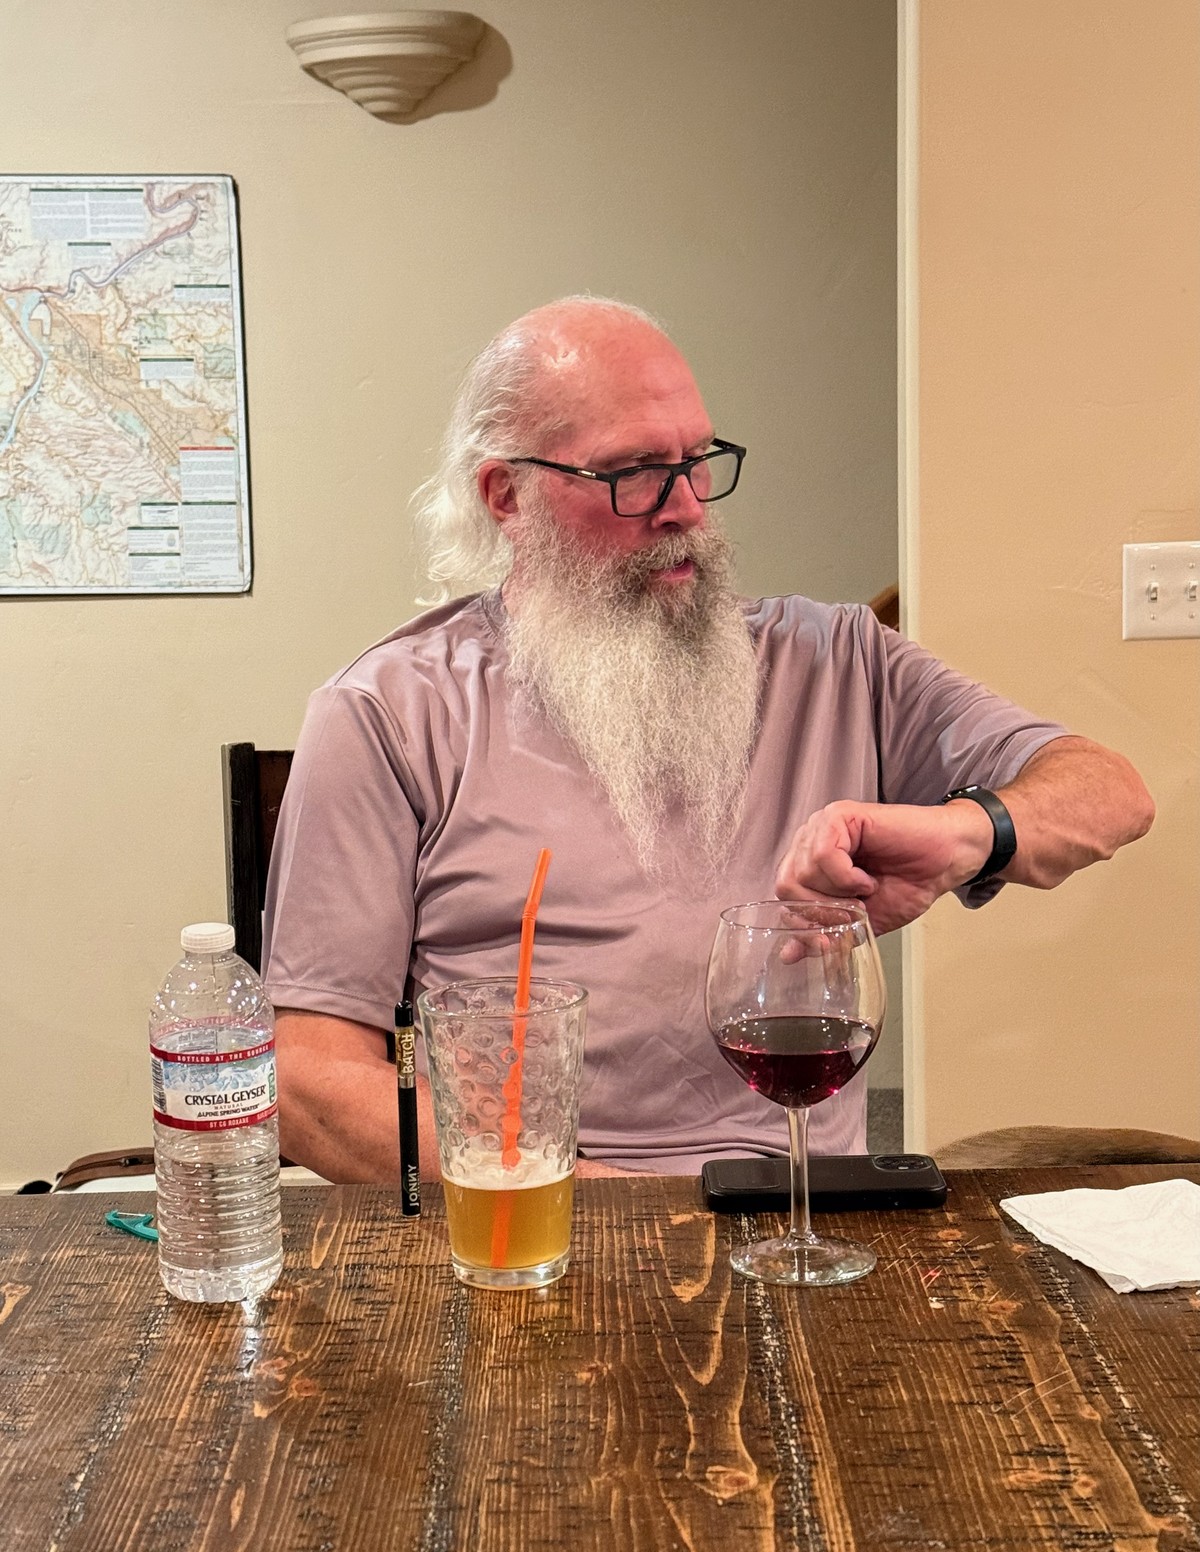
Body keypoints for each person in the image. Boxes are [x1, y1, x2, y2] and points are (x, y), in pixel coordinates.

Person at [262, 297, 1153, 1182]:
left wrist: (968, 833)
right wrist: (586, 1203)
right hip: (532, 1218)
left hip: (799, 1212)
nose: (686, 506)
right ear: (508, 495)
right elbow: (310, 1084)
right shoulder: (387, 711)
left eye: (697, 461)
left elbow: (1110, 793)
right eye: (635, 473)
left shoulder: (837, 660)